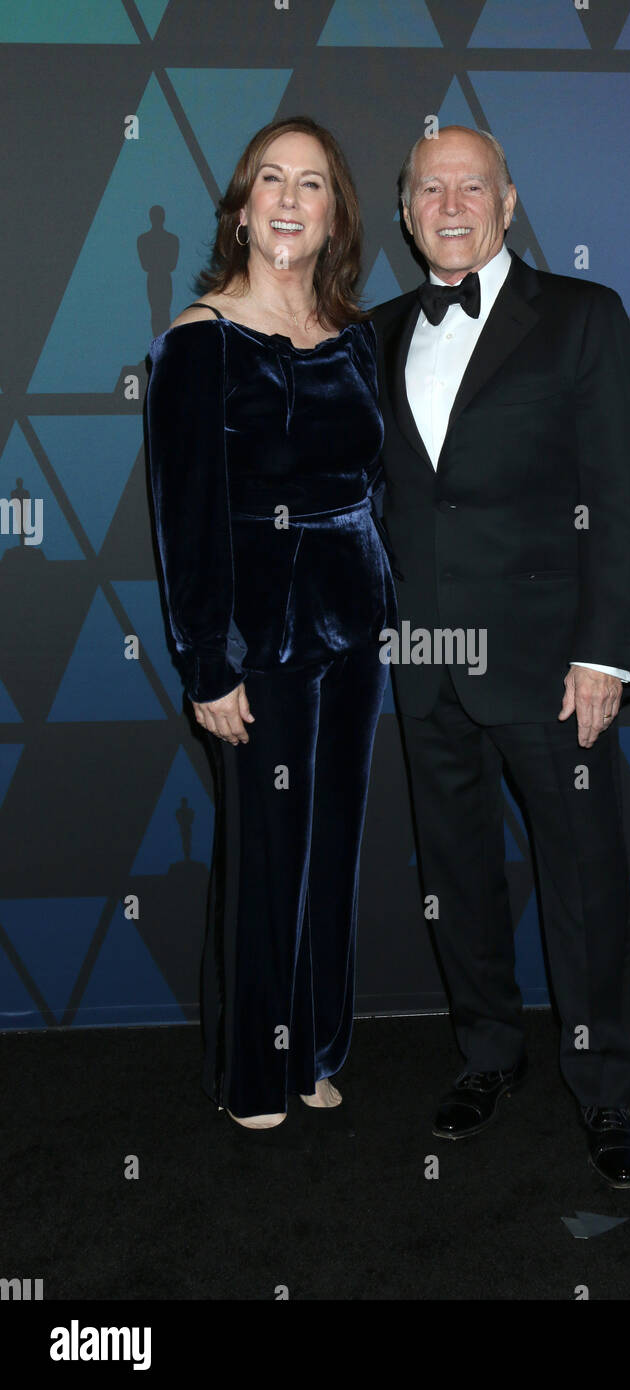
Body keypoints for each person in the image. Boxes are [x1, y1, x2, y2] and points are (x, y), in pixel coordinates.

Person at [372, 125, 630, 1187]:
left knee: (580, 881)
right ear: (405, 211)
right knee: (457, 875)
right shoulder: (380, 332)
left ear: (508, 199)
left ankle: (606, 1087)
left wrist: (604, 653)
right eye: (429, 187)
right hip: (425, 656)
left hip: (549, 662)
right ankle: (486, 1055)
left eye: (470, 185)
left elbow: (618, 500)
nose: (450, 202)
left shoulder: (581, 318)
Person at [145, 117, 395, 1131]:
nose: (290, 200)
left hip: (357, 623)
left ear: (334, 214)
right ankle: (255, 1071)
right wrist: (209, 661)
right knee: (264, 855)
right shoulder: (197, 342)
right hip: (260, 635)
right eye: (271, 181)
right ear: (242, 207)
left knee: (331, 847)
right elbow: (185, 517)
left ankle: (313, 1047)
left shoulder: (354, 332)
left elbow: (374, 483)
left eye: (312, 184)